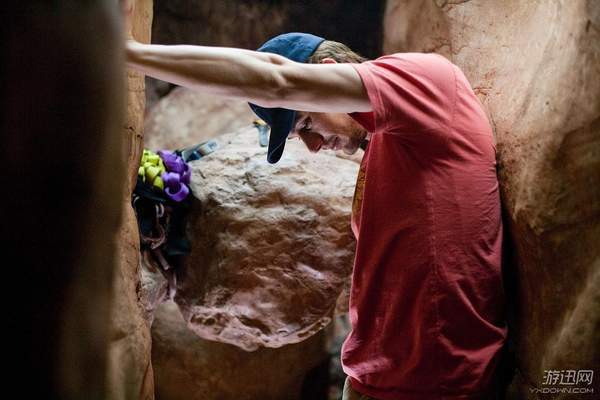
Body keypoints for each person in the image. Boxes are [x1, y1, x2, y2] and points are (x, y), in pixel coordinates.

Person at [126, 32, 507, 400]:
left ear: (326, 72)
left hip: (435, 383)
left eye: (306, 123)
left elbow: (276, 80)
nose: (313, 146)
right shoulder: (387, 146)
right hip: (373, 380)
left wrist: (130, 55)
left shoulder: (425, 81)